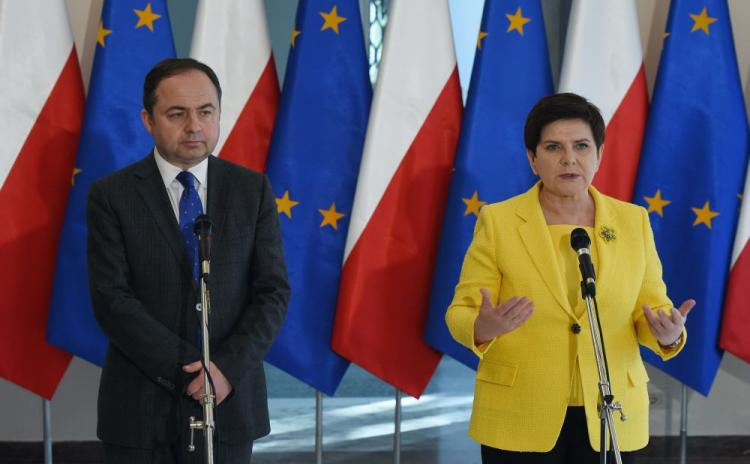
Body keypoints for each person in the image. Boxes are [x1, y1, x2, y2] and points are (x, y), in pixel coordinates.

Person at [445, 92, 694, 464]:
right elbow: (461, 311)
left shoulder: (632, 222)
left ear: (599, 154)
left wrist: (668, 334)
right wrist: (483, 326)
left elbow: (649, 308)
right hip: (521, 411)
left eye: (581, 145)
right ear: (533, 158)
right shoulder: (499, 222)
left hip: (610, 412)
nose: (569, 159)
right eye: (552, 147)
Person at [87, 58, 290, 463]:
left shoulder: (252, 190)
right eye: (177, 114)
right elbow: (112, 298)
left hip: (231, 404)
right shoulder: (111, 195)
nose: (194, 126)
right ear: (148, 120)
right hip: (140, 409)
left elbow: (272, 291)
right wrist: (190, 371)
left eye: (205, 112)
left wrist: (225, 371)